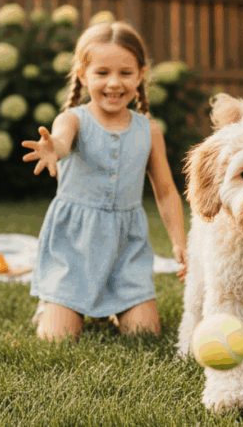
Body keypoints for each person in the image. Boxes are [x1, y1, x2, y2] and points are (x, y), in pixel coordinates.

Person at [22, 20, 187, 341]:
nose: (114, 83)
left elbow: (166, 191)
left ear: (141, 75)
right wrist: (51, 148)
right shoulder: (72, 119)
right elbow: (61, 141)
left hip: (125, 249)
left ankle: (116, 304)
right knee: (57, 338)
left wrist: (180, 241)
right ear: (82, 75)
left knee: (145, 334)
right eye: (102, 73)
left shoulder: (149, 131)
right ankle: (53, 303)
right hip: (74, 247)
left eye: (125, 73)